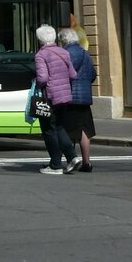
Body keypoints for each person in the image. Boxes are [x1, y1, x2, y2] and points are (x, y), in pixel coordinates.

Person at [34, 25, 81, 175]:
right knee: (59, 127)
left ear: (40, 39)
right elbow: (73, 75)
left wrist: (36, 81)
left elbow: (43, 78)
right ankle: (72, 157)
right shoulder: (64, 52)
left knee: (48, 130)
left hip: (50, 97)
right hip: (65, 96)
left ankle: (55, 164)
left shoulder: (41, 55)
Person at [59, 27, 96, 172]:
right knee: (85, 130)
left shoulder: (65, 54)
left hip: (70, 97)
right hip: (85, 98)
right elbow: (93, 74)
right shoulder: (85, 54)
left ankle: (69, 160)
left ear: (63, 41)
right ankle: (87, 163)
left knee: (66, 130)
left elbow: (64, 75)